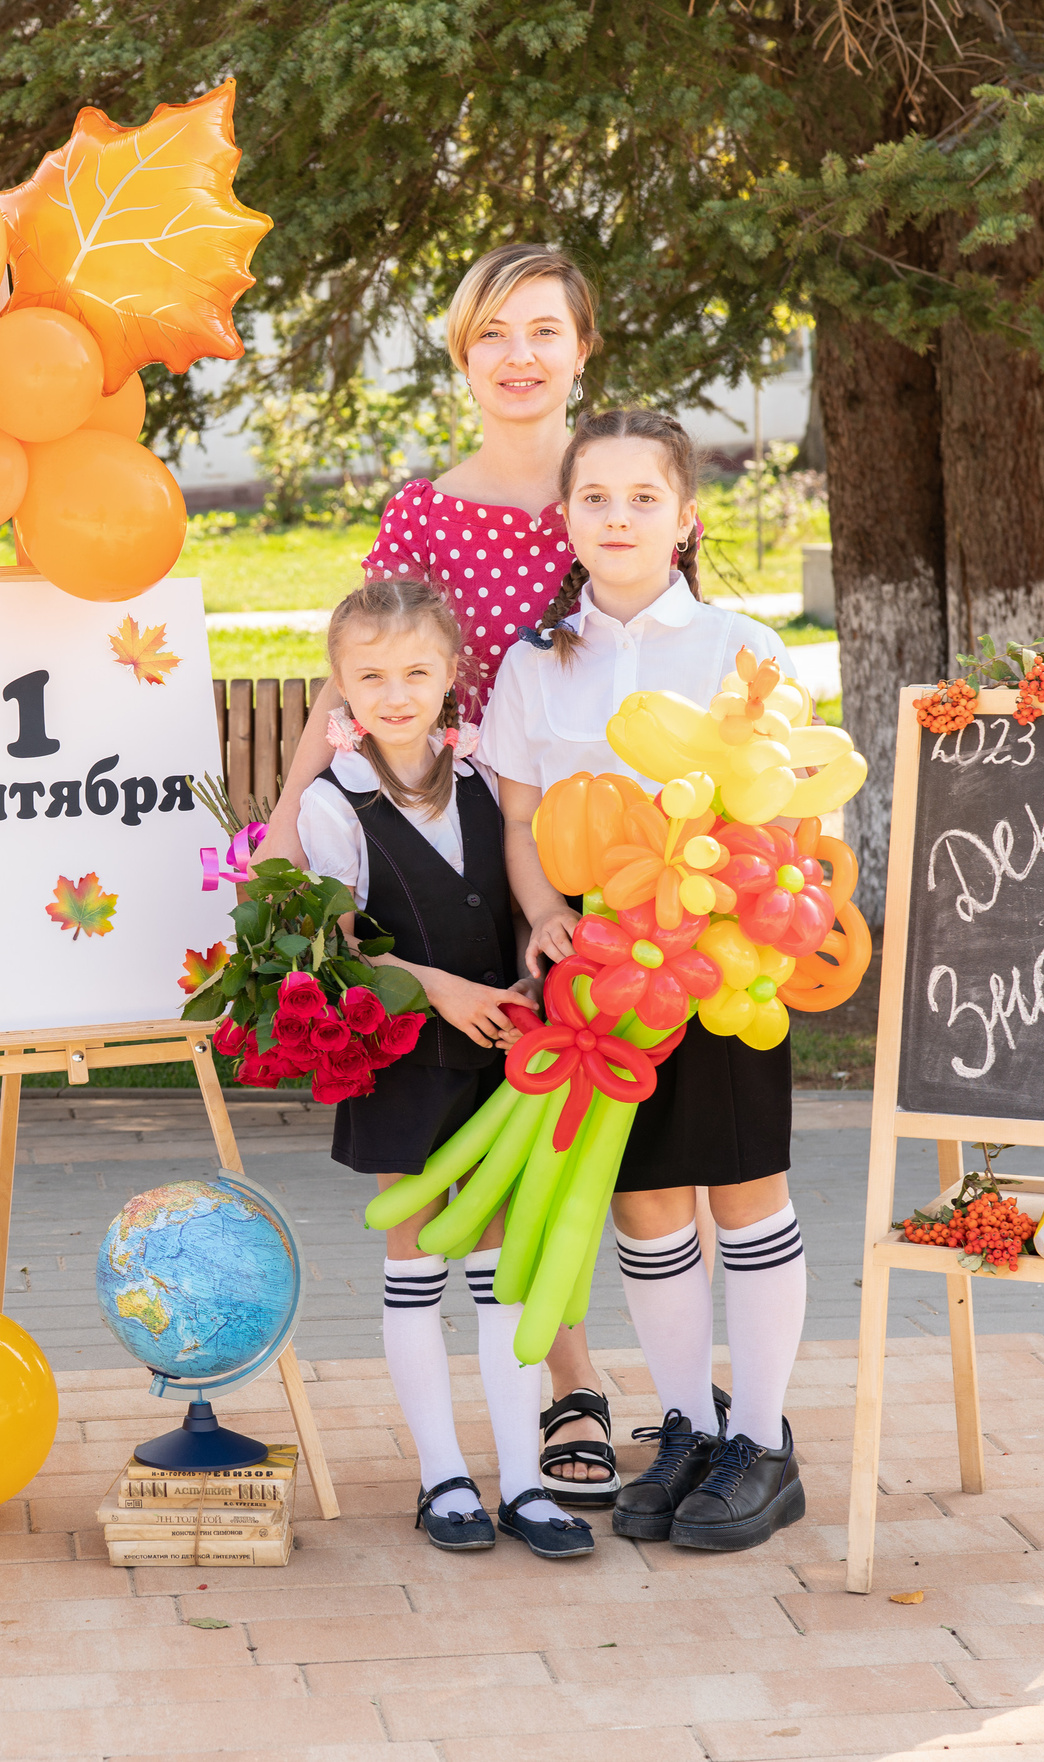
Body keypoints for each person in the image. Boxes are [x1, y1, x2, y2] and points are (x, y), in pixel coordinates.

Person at [266, 243, 625, 1504]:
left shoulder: (614, 497)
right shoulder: (424, 511)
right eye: (492, 336)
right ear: (462, 356)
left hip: (594, 843)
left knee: (583, 1134)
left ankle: (619, 1385)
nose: (519, 358)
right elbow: (362, 667)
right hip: (455, 852)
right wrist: (282, 815)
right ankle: (562, 1391)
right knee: (496, 1121)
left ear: (583, 345)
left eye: (543, 332)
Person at [476, 407, 810, 1554]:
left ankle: (760, 1441)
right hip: (600, 972)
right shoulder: (531, 663)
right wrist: (540, 917)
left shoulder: (736, 648)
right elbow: (519, 817)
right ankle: (683, 1425)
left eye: (642, 498)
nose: (617, 517)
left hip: (718, 962)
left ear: (687, 517)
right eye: (594, 498)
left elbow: (790, 803)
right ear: (563, 519)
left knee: (743, 1191)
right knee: (648, 1202)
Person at [304, 575, 594, 1560]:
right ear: (340, 683)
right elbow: (336, 950)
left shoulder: (485, 781)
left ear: (450, 673)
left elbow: (524, 903)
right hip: (404, 1061)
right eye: (371, 674)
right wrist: (439, 988)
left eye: (415, 670)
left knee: (502, 1270)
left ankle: (522, 1476)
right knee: (418, 1262)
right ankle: (442, 1475)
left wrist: (519, 981)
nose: (395, 692)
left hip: (501, 1061)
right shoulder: (333, 804)